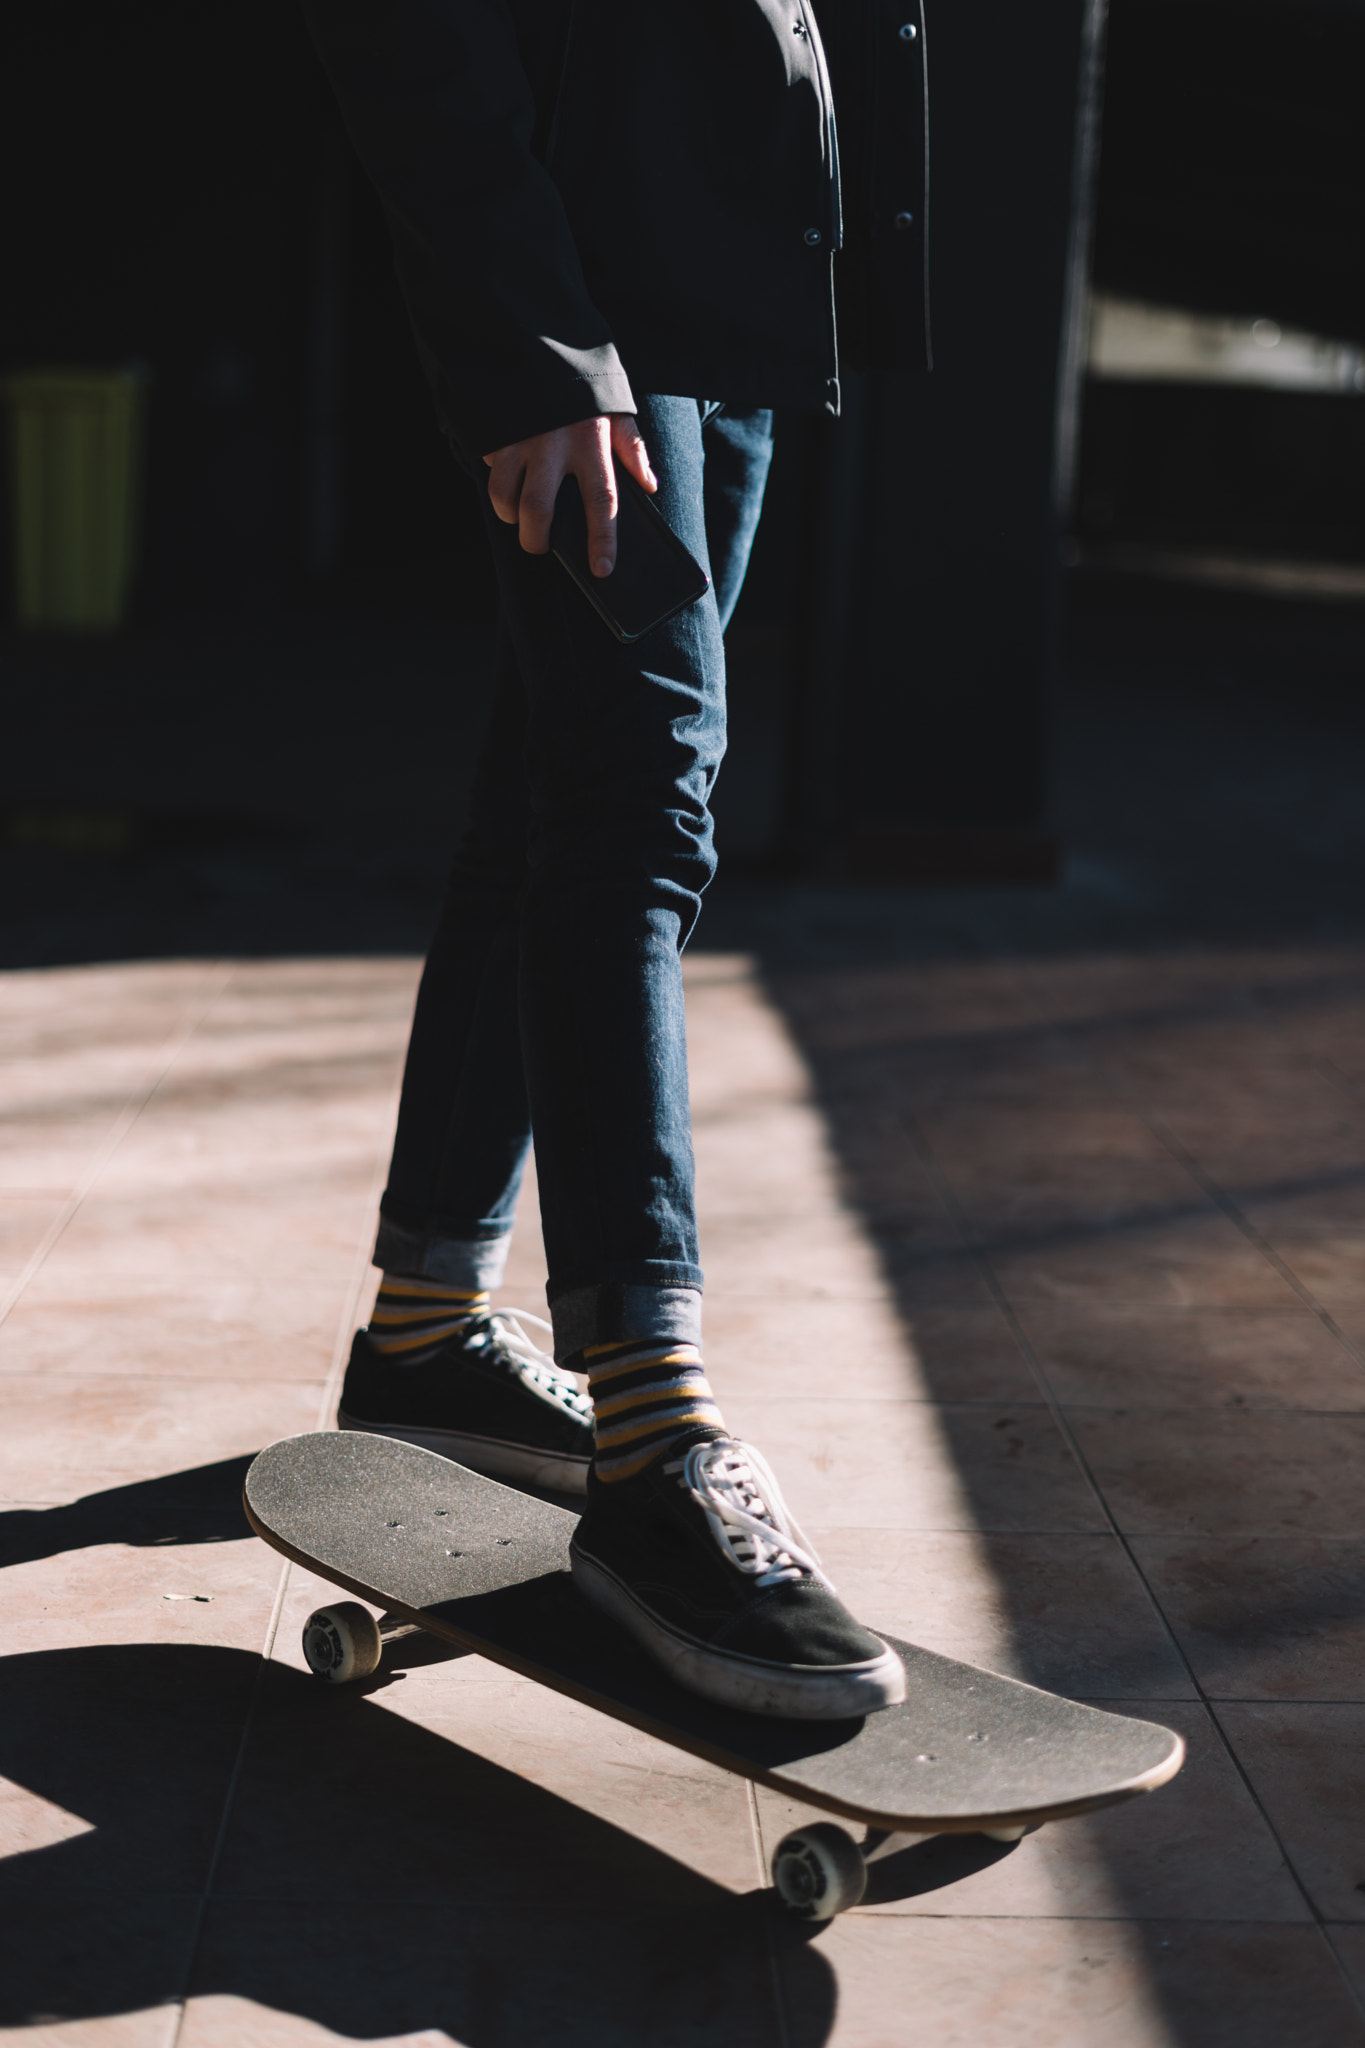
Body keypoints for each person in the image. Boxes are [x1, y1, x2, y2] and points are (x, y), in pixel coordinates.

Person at [302, 0, 929, 1720]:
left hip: (719, 289)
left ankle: (427, 1326)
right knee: (643, 793)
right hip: (587, 314)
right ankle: (653, 1445)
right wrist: (533, 353)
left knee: (556, 797)